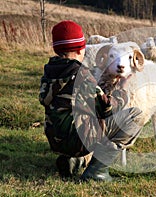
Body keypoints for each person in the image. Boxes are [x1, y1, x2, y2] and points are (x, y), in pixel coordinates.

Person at [39, 20, 143, 181]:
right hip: (77, 140)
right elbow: (107, 108)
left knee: (81, 118)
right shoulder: (82, 76)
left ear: (56, 49)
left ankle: (71, 159)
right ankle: (97, 172)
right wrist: (122, 89)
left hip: (55, 139)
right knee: (134, 116)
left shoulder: (49, 73)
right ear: (82, 49)